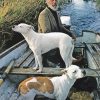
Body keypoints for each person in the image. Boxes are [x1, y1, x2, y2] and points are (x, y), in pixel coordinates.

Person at [38, 0, 77, 67]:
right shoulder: (43, 14)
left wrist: (71, 34)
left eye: (56, 0)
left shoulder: (55, 12)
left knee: (70, 45)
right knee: (61, 64)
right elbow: (46, 34)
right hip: (49, 49)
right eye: (52, 0)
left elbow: (61, 27)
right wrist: (63, 39)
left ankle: (69, 59)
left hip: (58, 43)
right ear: (46, 2)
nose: (54, 2)